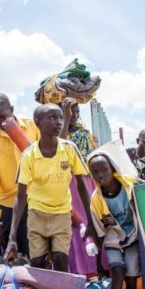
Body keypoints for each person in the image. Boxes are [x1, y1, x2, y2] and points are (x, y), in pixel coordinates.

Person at [6, 103, 93, 289]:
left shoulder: (69, 149)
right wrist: (13, 237)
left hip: (61, 215)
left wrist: (90, 223)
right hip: (36, 216)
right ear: (38, 123)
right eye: (52, 117)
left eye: (60, 117)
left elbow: (82, 187)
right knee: (38, 269)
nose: (58, 122)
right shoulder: (29, 155)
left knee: (60, 266)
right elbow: (20, 197)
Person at [88, 151, 145, 289]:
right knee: (117, 272)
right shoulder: (96, 199)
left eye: (104, 170)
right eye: (95, 171)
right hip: (113, 239)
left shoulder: (128, 186)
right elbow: (100, 231)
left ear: (113, 169)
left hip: (132, 237)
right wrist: (99, 263)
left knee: (132, 275)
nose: (100, 175)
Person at [0, 93, 40, 256]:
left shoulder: (32, 126)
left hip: (33, 199)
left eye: (2, 116)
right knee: (4, 254)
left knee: (34, 252)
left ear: (12, 110)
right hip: (7, 204)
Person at [60, 98, 98, 276]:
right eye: (70, 112)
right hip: (65, 183)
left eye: (76, 112)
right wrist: (65, 119)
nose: (74, 116)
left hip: (84, 182)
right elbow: (57, 148)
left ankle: (91, 268)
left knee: (86, 222)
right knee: (72, 225)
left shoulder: (84, 132)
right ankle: (76, 270)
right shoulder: (55, 136)